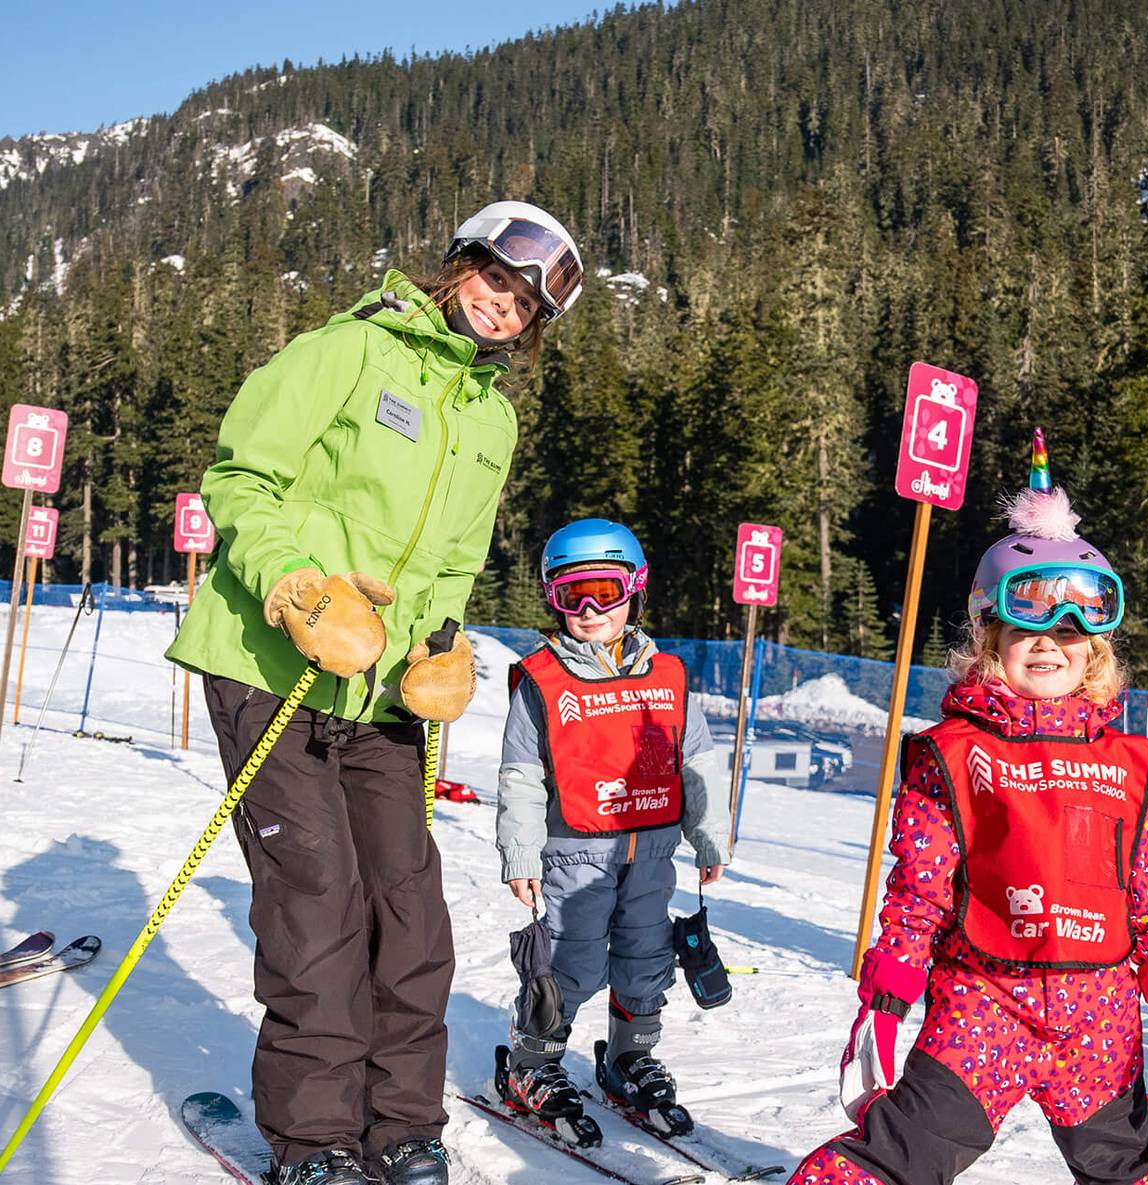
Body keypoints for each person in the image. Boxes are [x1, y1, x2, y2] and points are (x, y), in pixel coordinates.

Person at [166, 201, 584, 1185]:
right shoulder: (348, 352)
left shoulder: (492, 417)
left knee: (412, 915)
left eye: (526, 303)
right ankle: (315, 1145)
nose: (505, 306)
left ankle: (400, 1130)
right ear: (460, 261)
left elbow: (446, 567)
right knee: (319, 909)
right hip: (273, 665)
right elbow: (240, 481)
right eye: (497, 279)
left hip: (380, 694)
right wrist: (298, 584)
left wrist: (439, 649)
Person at [789, 430, 1148, 1185]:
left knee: (1138, 1168)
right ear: (988, 634)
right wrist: (886, 1002)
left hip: (1098, 1022)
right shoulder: (956, 754)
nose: (1052, 641)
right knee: (902, 1153)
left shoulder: (1124, 763)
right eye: (1028, 624)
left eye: (1076, 627)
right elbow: (917, 894)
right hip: (984, 1010)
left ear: (1099, 650)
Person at [494, 518, 733, 1143]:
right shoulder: (542, 682)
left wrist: (710, 835)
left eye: (605, 589)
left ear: (636, 589)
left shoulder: (668, 677)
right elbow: (521, 775)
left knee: (647, 958)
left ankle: (630, 1057)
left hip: (652, 852)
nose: (591, 608)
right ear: (554, 599)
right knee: (568, 962)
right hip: (576, 855)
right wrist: (519, 852)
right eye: (573, 595)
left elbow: (698, 760)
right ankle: (533, 1065)